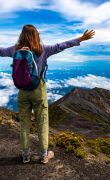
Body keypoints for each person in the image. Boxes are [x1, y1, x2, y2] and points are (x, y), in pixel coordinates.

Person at [0, 24, 95, 164]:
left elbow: (1, 51)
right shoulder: (43, 49)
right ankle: (44, 155)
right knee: (42, 122)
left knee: (24, 124)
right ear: (36, 35)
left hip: (23, 91)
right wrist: (81, 38)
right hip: (38, 89)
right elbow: (61, 45)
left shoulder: (16, 49)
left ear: (22, 35)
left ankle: (25, 155)